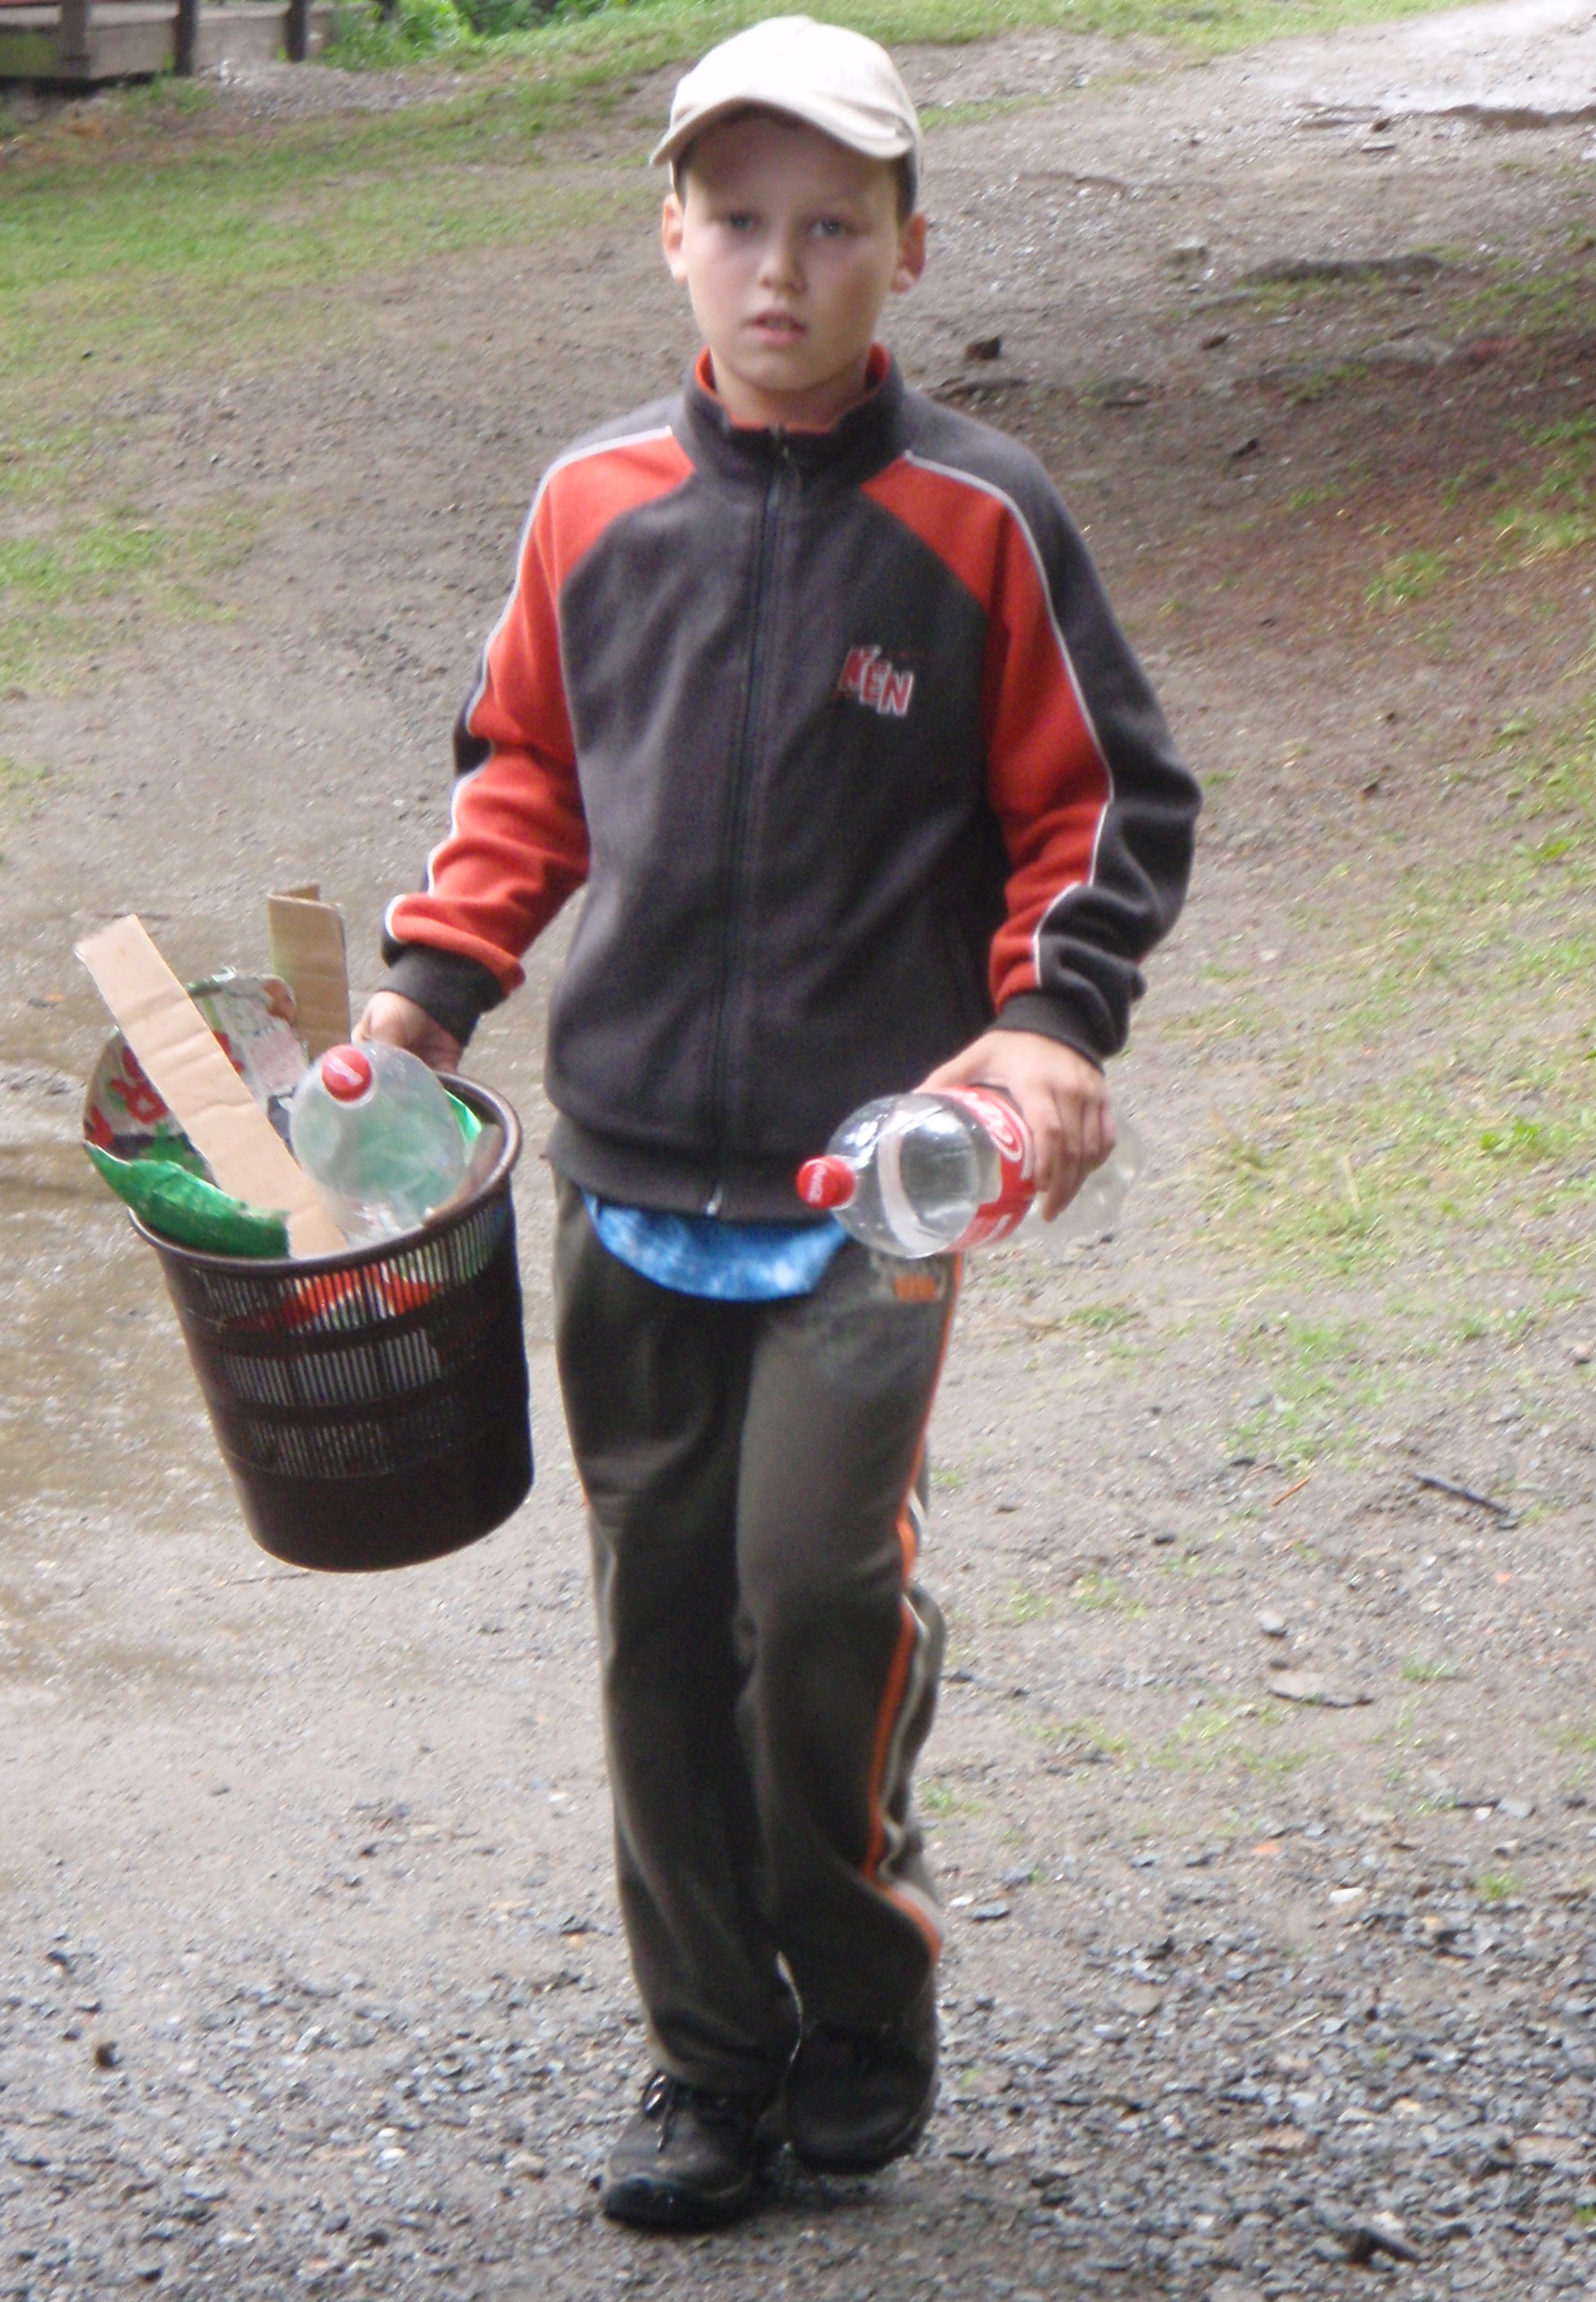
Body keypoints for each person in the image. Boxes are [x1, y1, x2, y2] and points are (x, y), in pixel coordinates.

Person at [360, 13, 1199, 2232]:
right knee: (658, 1622)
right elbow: (525, 778)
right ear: (672, 234)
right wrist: (432, 991)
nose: (779, 267)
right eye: (737, 219)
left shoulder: (981, 518)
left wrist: (1046, 1022)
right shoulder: (591, 507)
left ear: (907, 250)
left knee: (814, 1591)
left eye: (833, 225)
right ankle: (714, 2058)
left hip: (874, 1183)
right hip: (629, 1162)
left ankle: (863, 1988)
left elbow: (1104, 804)